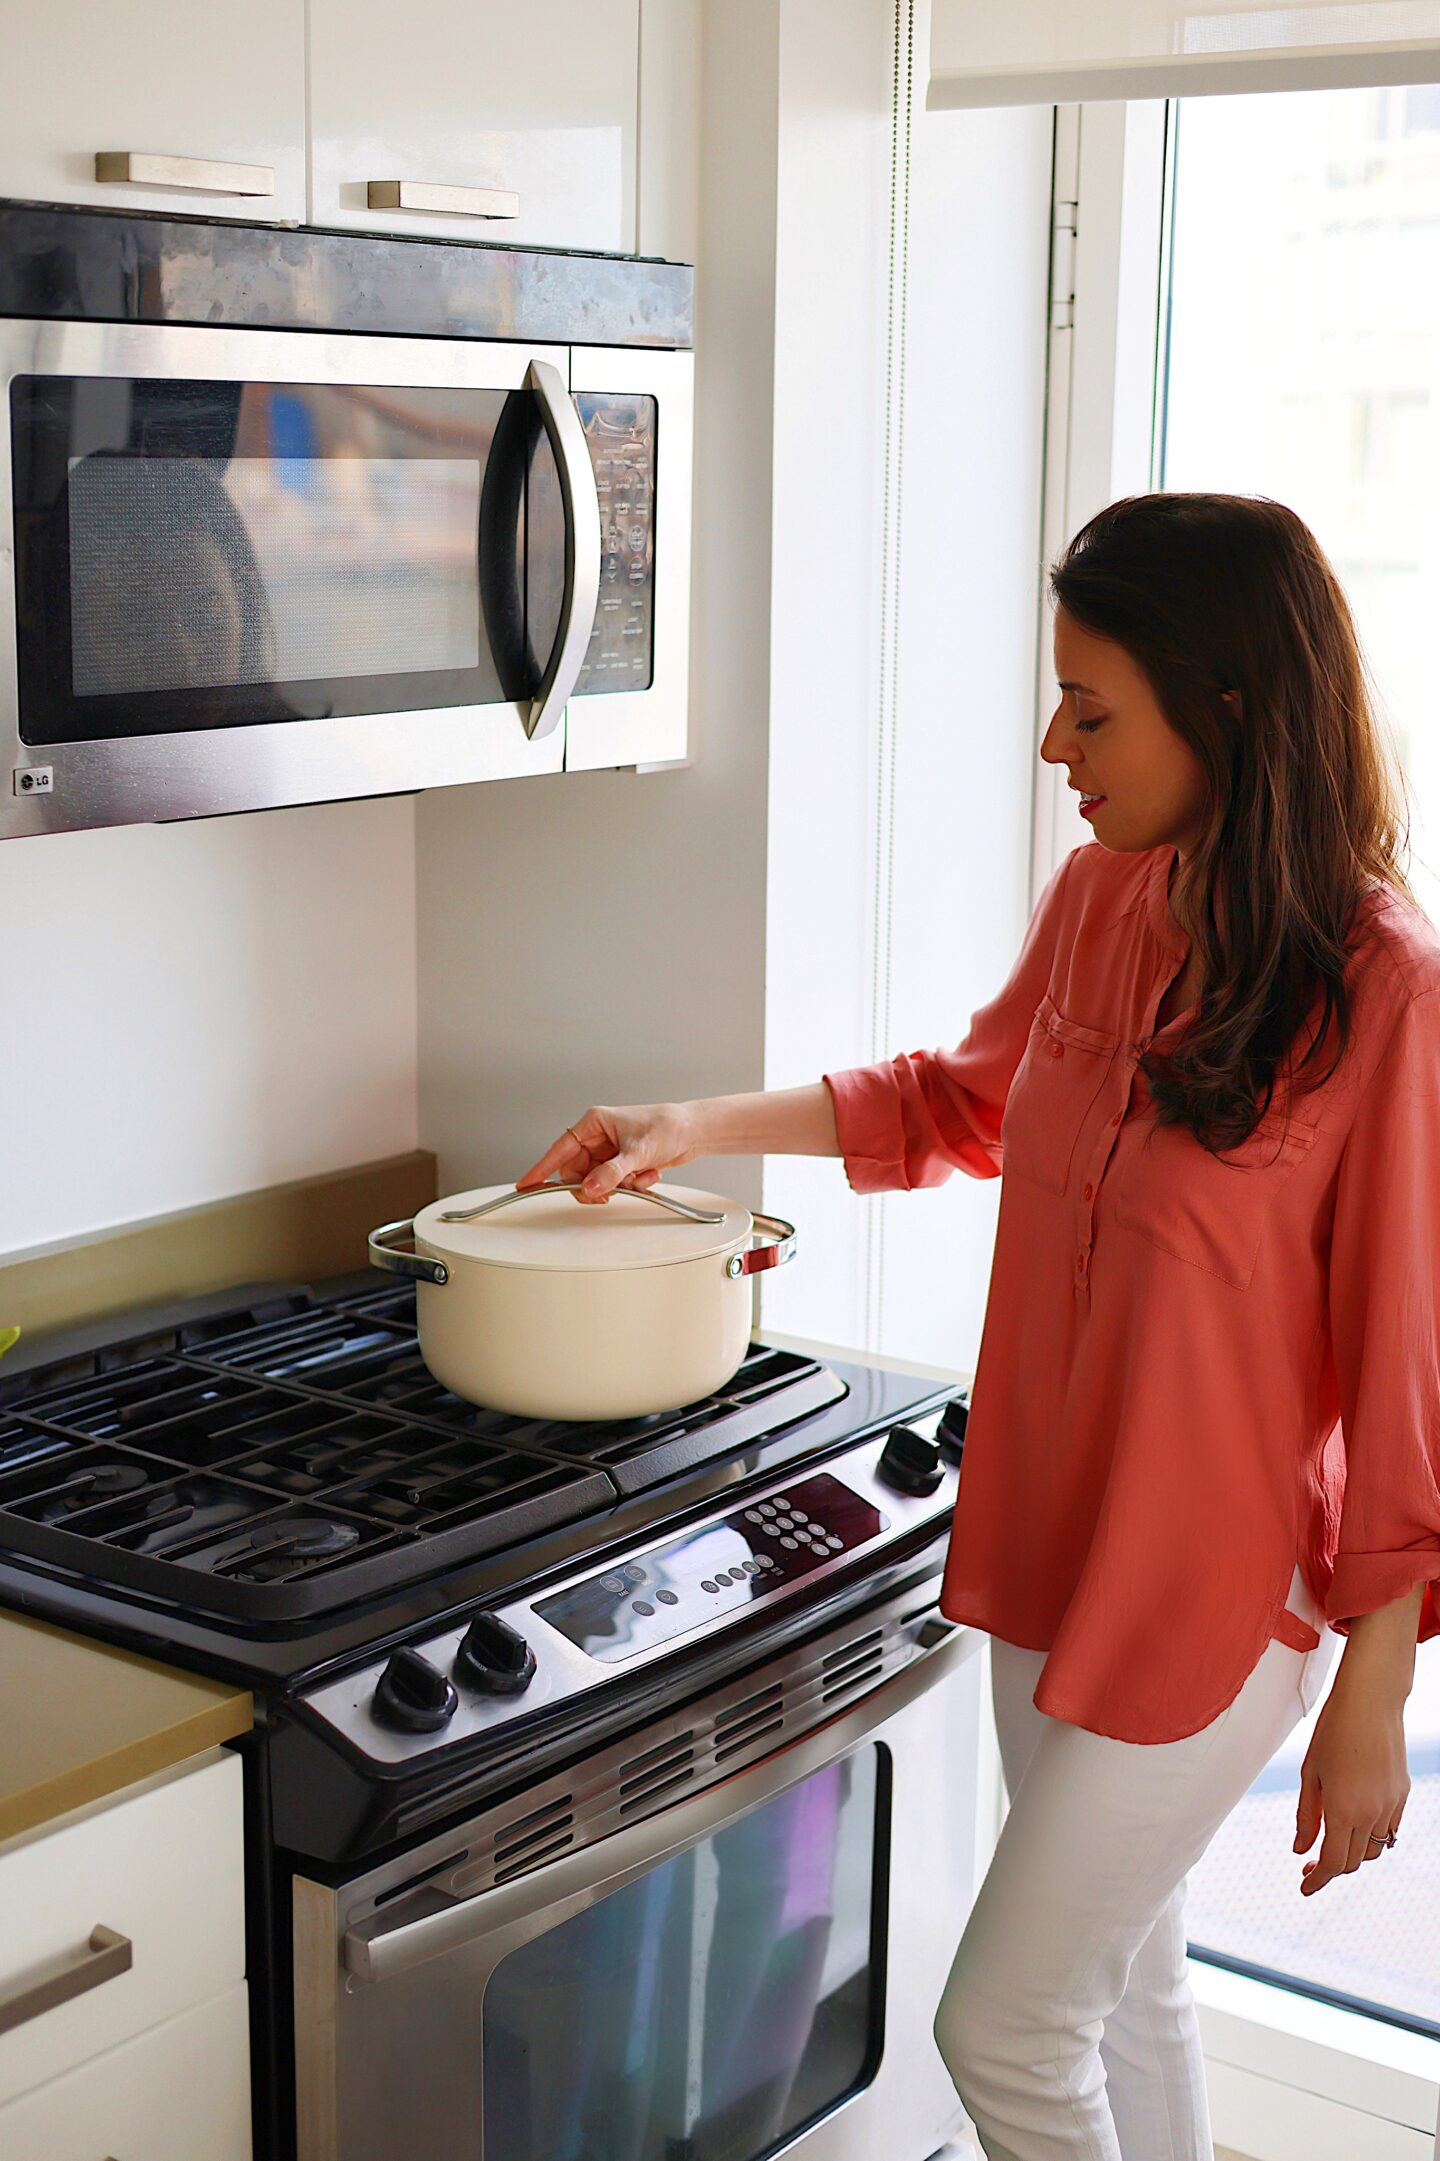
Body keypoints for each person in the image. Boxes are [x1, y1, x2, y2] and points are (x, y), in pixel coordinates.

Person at [515, 492, 1440, 2160]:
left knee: (1004, 2030)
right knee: (1123, 1985)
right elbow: (965, 1098)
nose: (1049, 743)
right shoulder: (1103, 897)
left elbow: (1406, 1356)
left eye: (1091, 707)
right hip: (1047, 1543)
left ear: (1225, 701)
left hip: (1216, 1604)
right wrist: (688, 1121)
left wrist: (1379, 1674)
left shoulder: (1385, 987)